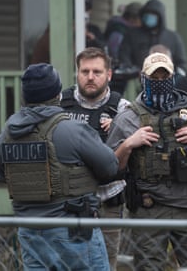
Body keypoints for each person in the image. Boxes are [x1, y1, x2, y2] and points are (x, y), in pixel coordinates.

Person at [0, 63, 119, 270]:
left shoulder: (7, 135)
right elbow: (110, 167)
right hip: (73, 231)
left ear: (25, 96)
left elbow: (1, 173)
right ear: (57, 94)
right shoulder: (72, 130)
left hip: (30, 232)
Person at [106, 52, 187, 270]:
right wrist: (128, 144)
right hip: (149, 208)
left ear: (172, 78)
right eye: (154, 79)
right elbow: (111, 169)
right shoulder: (127, 118)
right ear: (143, 79)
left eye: (164, 78)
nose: (160, 83)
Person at [60, 47, 129, 271]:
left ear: (109, 75)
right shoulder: (60, 104)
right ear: (77, 73)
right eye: (85, 71)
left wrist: (119, 128)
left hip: (108, 198)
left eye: (97, 72)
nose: (90, 77)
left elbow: (139, 149)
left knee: (106, 263)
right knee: (68, 263)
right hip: (68, 200)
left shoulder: (123, 109)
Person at [117, 0, 187, 94]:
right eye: (146, 15)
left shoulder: (173, 38)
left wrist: (172, 77)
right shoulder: (132, 35)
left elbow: (182, 65)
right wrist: (135, 72)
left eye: (153, 15)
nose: (149, 18)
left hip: (168, 87)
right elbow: (123, 58)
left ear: (160, 17)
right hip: (138, 85)